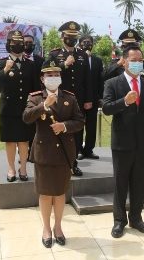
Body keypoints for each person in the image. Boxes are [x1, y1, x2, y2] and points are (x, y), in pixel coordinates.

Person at [23, 59, 84, 248]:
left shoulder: (69, 97)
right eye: (49, 75)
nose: (53, 78)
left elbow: (80, 121)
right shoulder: (35, 97)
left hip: (64, 153)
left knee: (59, 193)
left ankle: (58, 227)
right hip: (44, 153)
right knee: (45, 194)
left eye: (56, 75)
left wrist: (64, 126)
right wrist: (43, 106)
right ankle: (46, 229)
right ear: (42, 79)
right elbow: (26, 118)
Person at [102, 46, 144, 238]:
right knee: (121, 182)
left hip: (141, 143)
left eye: (140, 60)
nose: (137, 63)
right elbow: (107, 108)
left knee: (138, 182)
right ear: (124, 61)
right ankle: (119, 221)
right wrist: (124, 101)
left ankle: (136, 218)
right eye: (134, 60)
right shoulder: (112, 83)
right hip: (122, 143)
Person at [0, 30, 39, 182]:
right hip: (8, 109)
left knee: (24, 141)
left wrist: (34, 106)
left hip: (25, 109)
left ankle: (23, 168)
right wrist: (6, 69)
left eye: (20, 43)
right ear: (8, 45)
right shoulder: (1, 62)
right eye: (14, 43)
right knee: (11, 140)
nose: (17, 46)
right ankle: (11, 168)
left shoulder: (30, 64)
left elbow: (35, 87)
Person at [48, 21, 93, 176]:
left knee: (76, 132)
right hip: (59, 99)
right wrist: (64, 64)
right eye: (69, 36)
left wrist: (88, 99)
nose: (72, 39)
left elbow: (88, 79)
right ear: (63, 37)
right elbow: (48, 72)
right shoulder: (54, 54)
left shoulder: (82, 55)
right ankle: (59, 162)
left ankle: (73, 163)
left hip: (78, 100)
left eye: (74, 36)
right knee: (59, 130)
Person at [77, 35, 104, 160]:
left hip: (93, 98)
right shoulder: (75, 58)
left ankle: (89, 149)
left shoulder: (98, 61)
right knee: (78, 125)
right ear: (79, 44)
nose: (87, 44)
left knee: (91, 126)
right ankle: (78, 150)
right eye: (84, 42)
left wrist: (100, 97)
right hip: (78, 99)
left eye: (89, 42)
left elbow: (100, 80)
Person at [24, 34, 45, 162]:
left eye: (30, 43)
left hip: (36, 98)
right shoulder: (19, 60)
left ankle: (34, 152)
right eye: (25, 42)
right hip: (22, 99)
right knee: (23, 127)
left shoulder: (40, 60)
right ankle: (23, 153)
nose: (28, 45)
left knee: (35, 127)